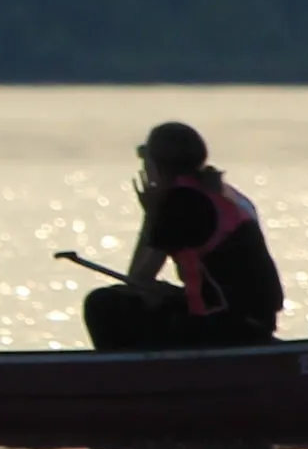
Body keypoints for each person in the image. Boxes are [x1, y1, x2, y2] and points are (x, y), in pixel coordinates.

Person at [83, 121, 285, 351]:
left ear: (157, 165)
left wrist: (151, 215)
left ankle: (132, 376)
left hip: (230, 324)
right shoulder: (219, 193)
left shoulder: (180, 204)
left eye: (145, 158)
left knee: (103, 303)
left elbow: (138, 279)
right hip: (255, 319)